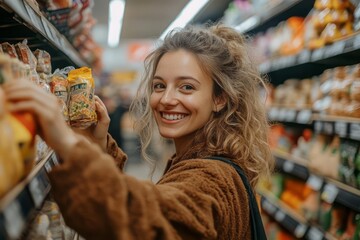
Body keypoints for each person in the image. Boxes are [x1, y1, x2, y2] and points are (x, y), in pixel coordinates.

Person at [3, 24, 274, 239]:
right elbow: (153, 204)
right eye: (159, 86)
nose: (166, 99)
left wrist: (65, 142)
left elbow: (147, 224)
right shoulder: (203, 160)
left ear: (219, 98)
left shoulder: (214, 178)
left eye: (186, 87)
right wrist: (99, 146)